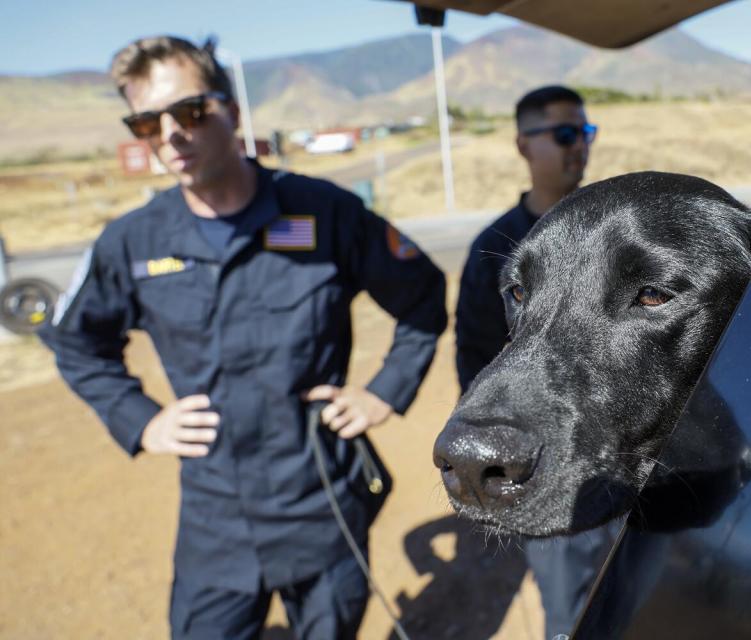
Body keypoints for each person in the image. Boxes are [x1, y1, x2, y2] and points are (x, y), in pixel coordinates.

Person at [39, 36, 447, 640]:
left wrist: (383, 392)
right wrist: (140, 419)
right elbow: (76, 341)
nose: (171, 133)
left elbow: (422, 295)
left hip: (320, 501)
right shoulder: (133, 241)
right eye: (148, 121)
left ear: (230, 110)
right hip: (216, 520)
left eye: (191, 111)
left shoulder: (321, 213)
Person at [455, 85, 618, 639]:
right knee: (571, 614)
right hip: (550, 476)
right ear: (524, 145)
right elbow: (475, 361)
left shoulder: (619, 235)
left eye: (586, 132)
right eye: (565, 134)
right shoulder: (495, 248)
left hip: (630, 469)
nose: (580, 147)